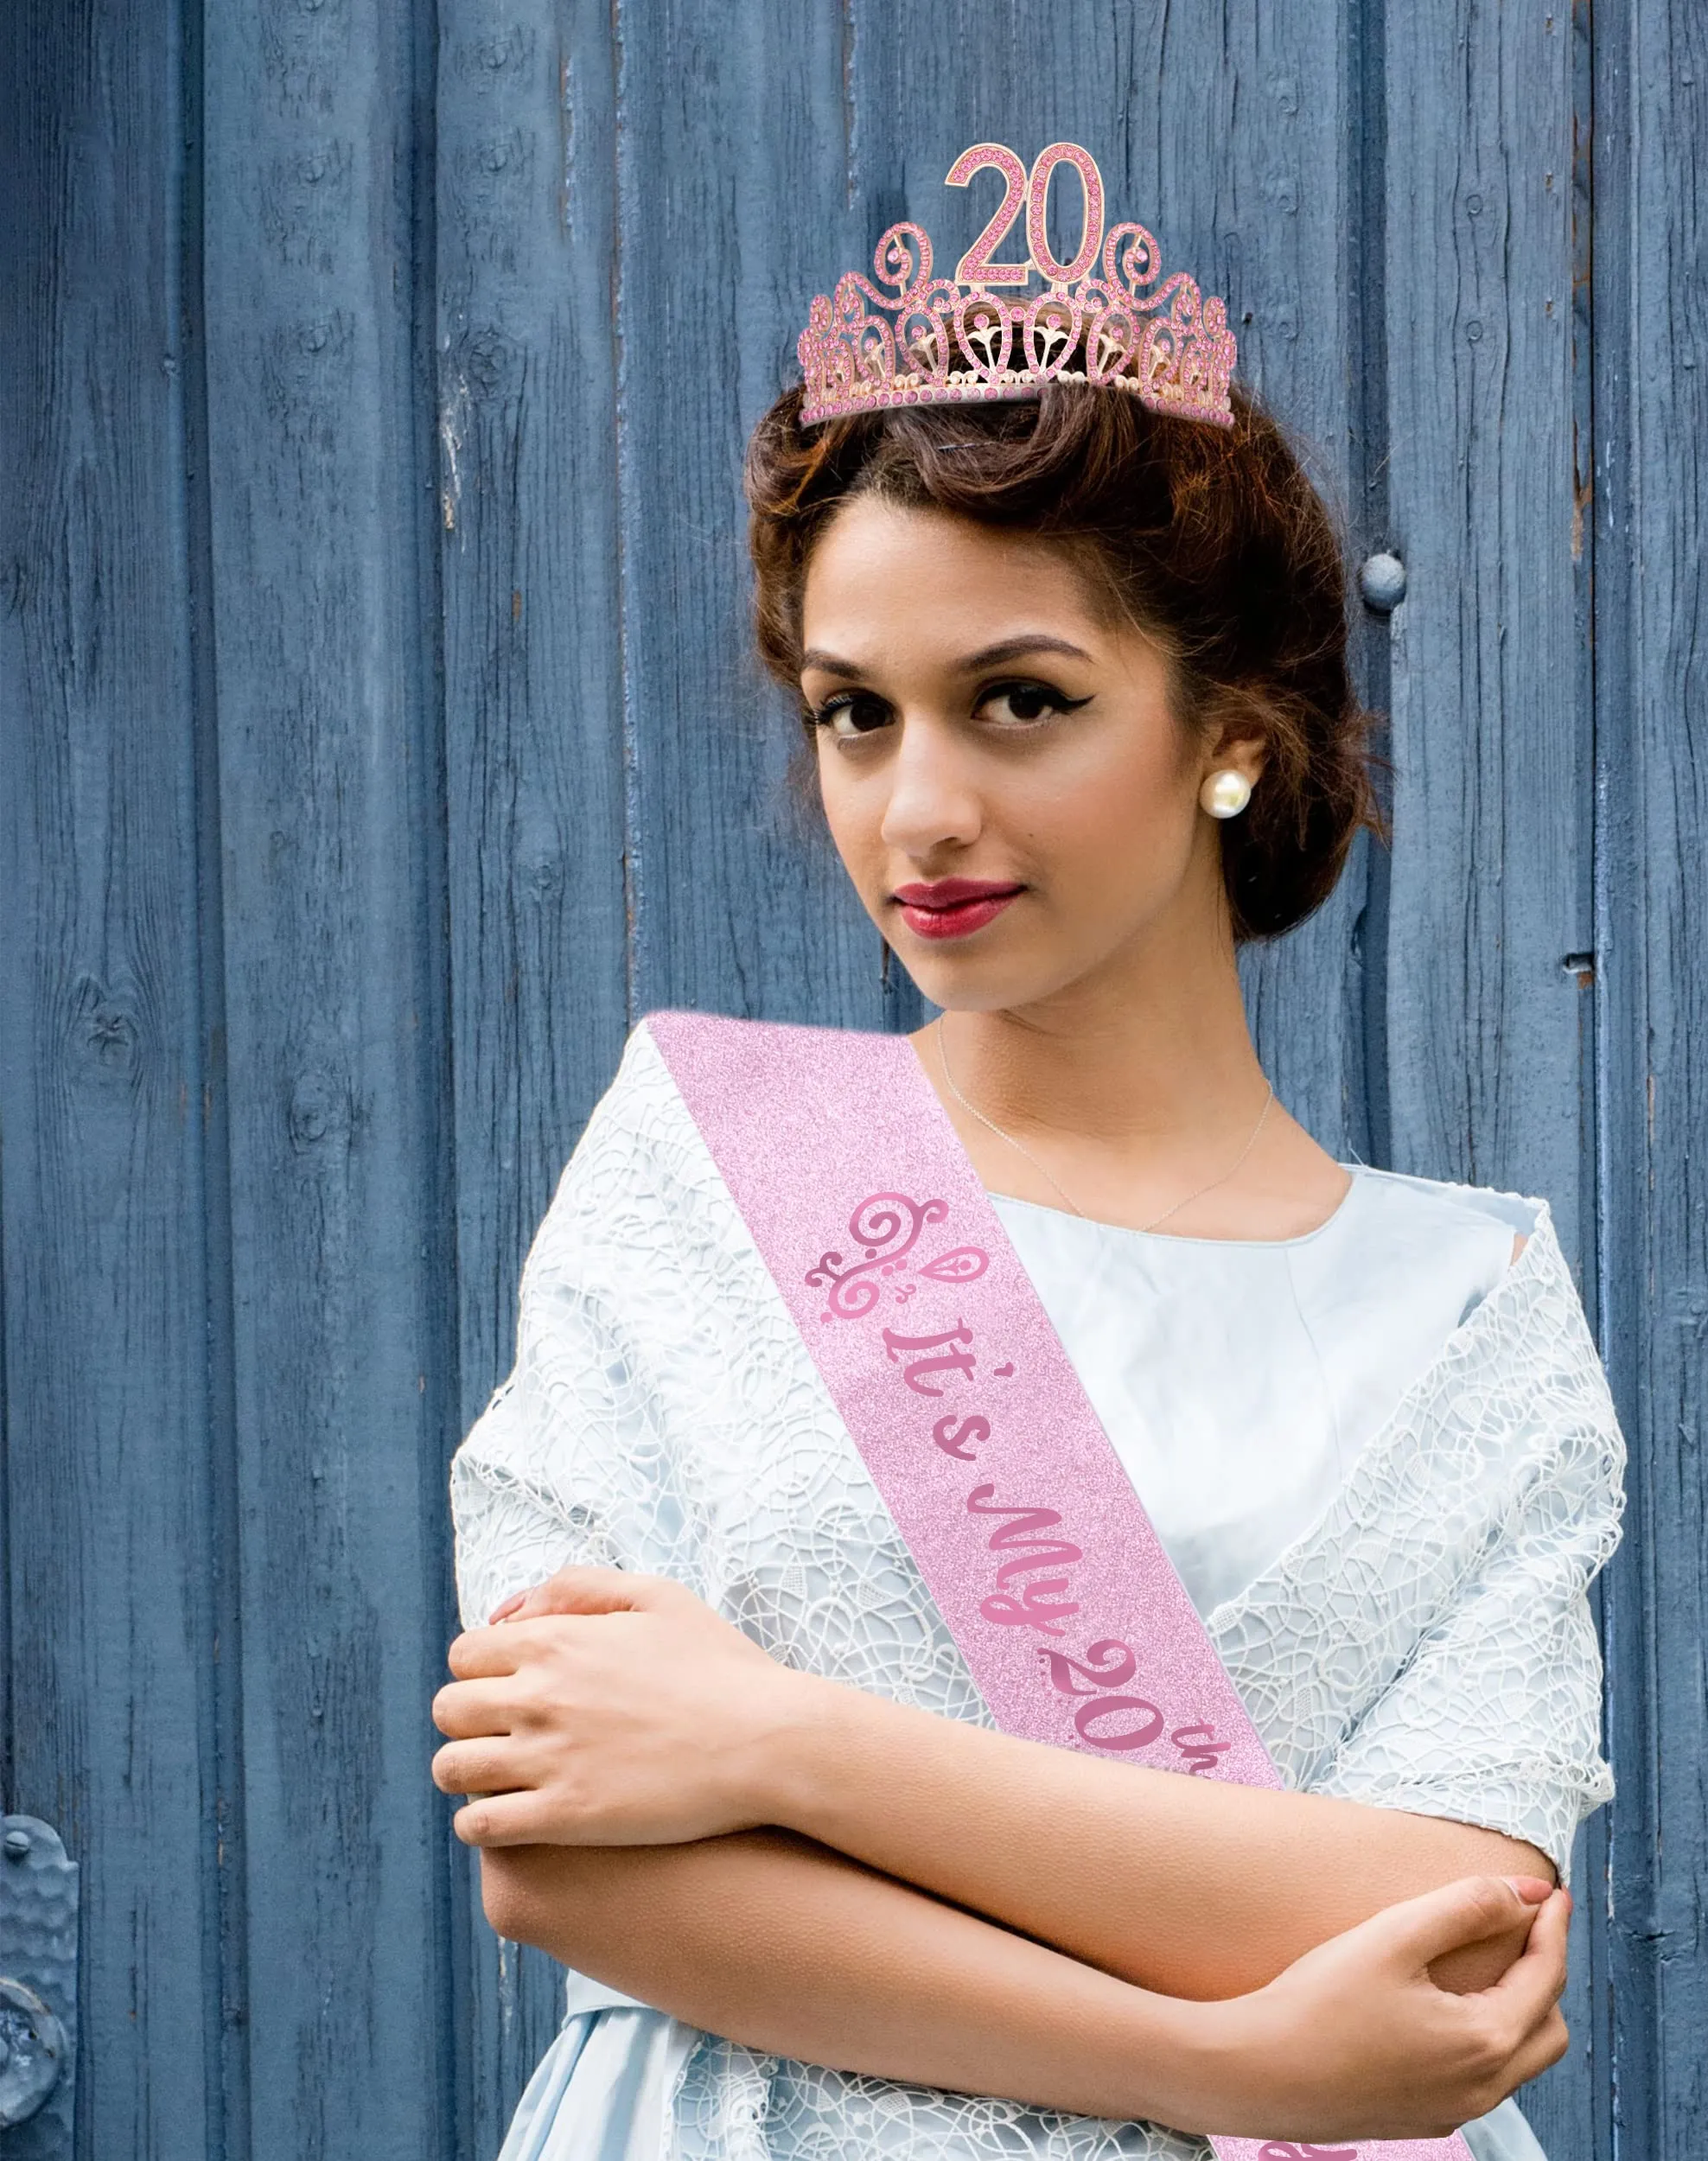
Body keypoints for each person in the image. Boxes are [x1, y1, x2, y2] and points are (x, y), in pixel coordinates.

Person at [432, 150, 1625, 2161]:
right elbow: (569, 1862)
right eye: (855, 714)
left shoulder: (1465, 1314)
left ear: (1228, 728)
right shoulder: (710, 1169)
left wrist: (778, 1737)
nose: (919, 808)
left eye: (1018, 701)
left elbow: (1451, 1928)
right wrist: (1227, 2063)